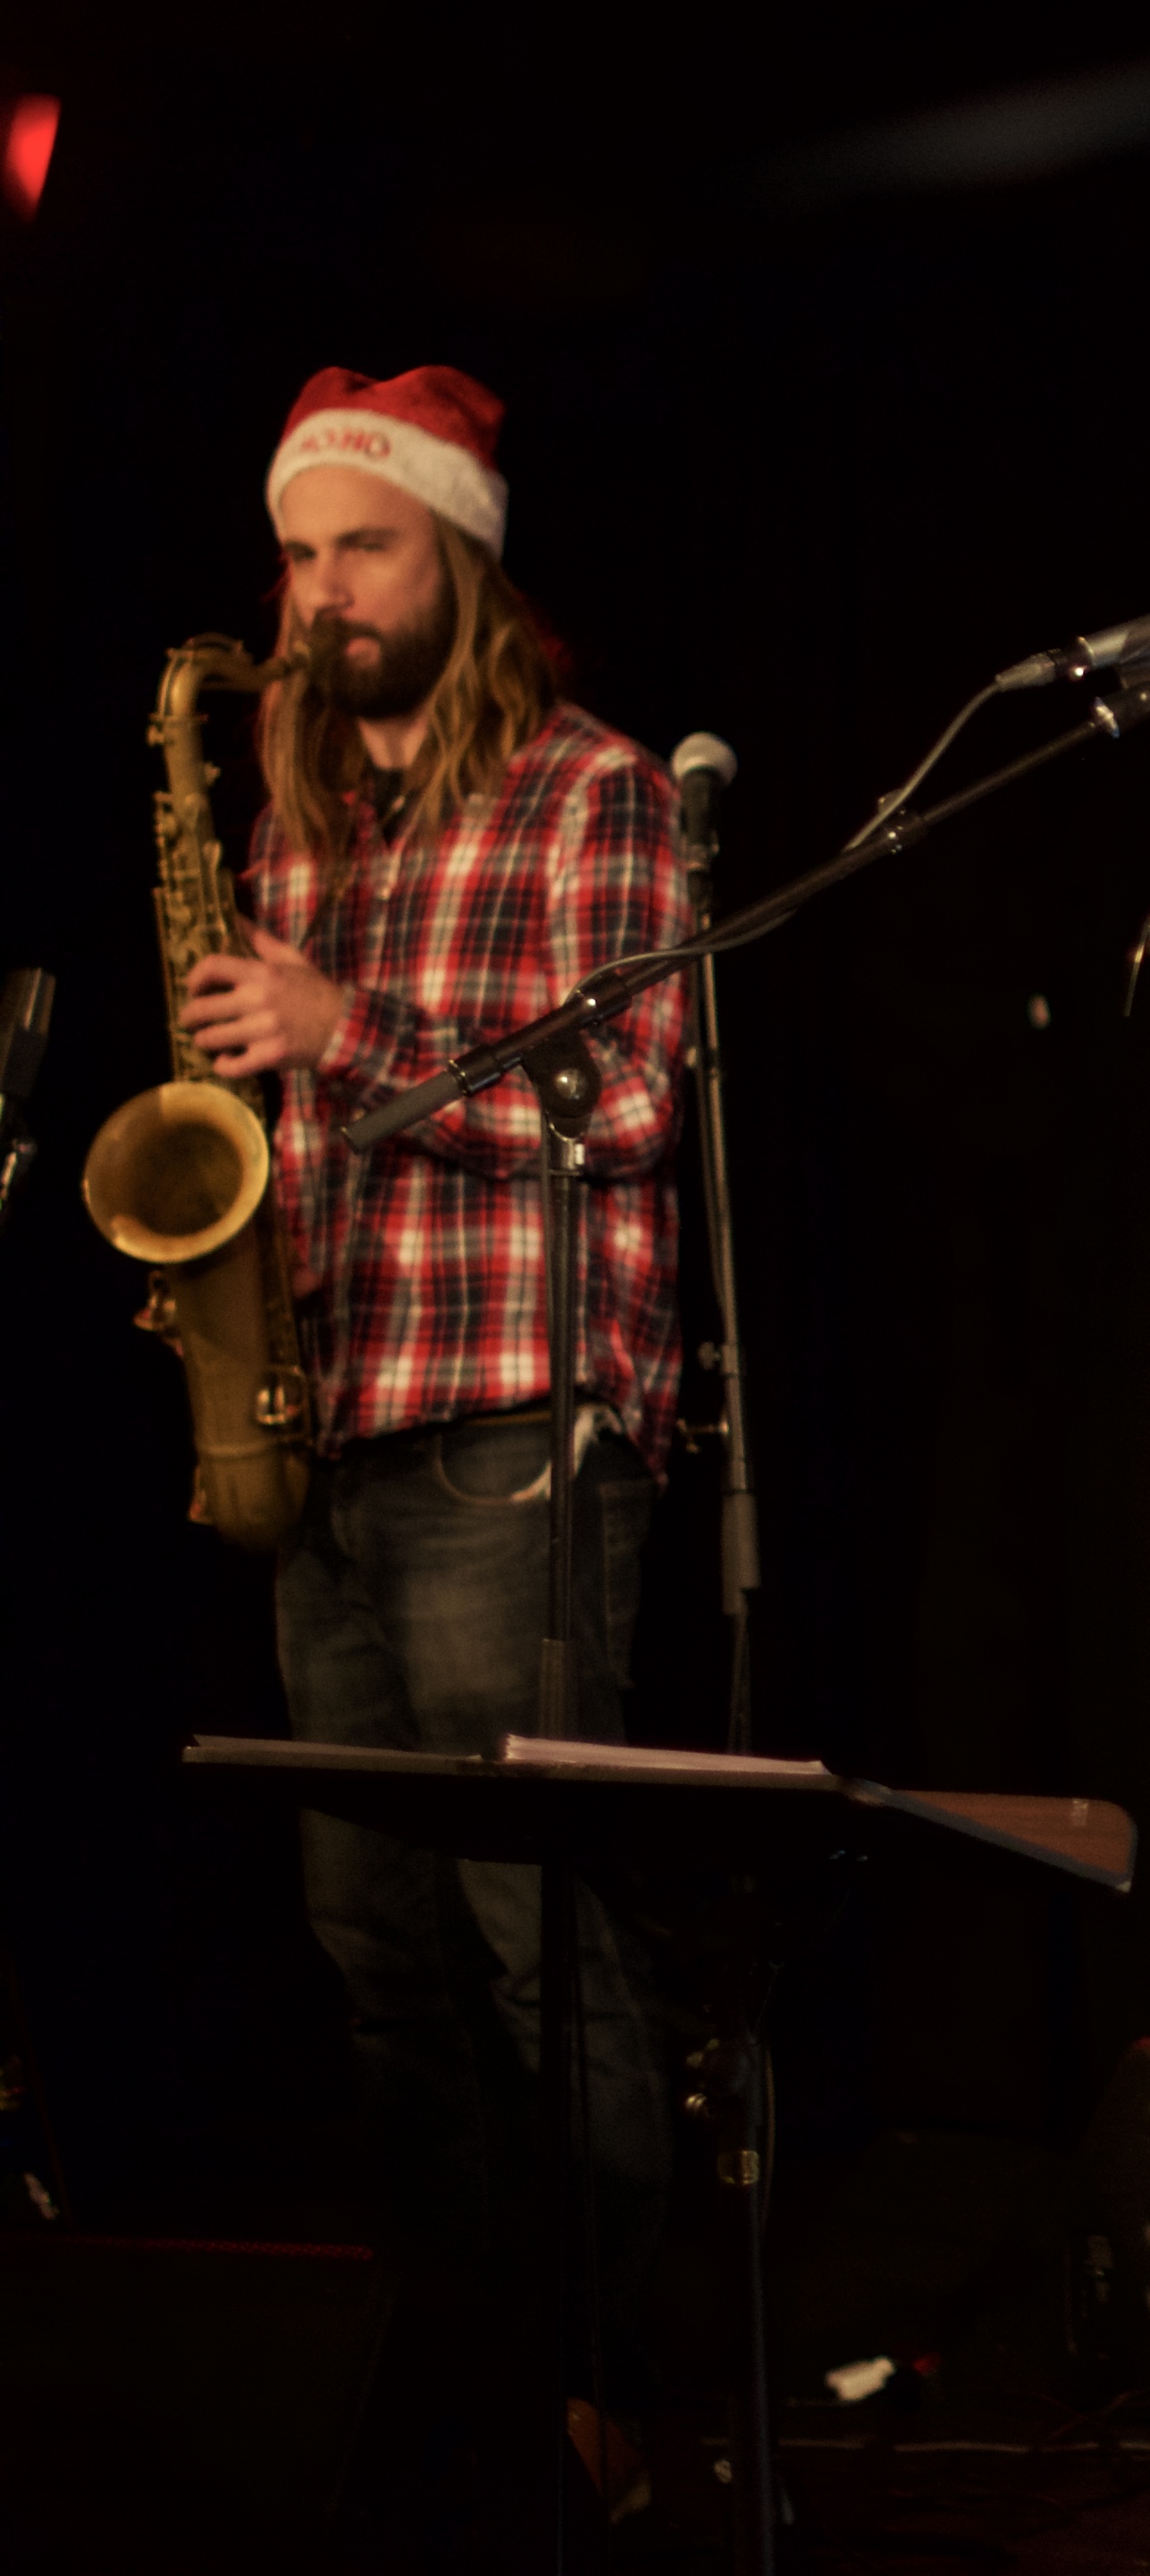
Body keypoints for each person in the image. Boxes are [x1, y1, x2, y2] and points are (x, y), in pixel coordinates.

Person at [191, 363, 690, 2522]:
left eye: (362, 549)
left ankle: (616, 2396)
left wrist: (343, 1028)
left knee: (539, 1940)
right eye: (296, 556)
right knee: (377, 1952)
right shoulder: (295, 820)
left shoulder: (594, 792)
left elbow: (630, 1104)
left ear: (462, 559)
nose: (320, 596)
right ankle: (459, 2393)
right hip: (332, 1421)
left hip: (515, 1428)